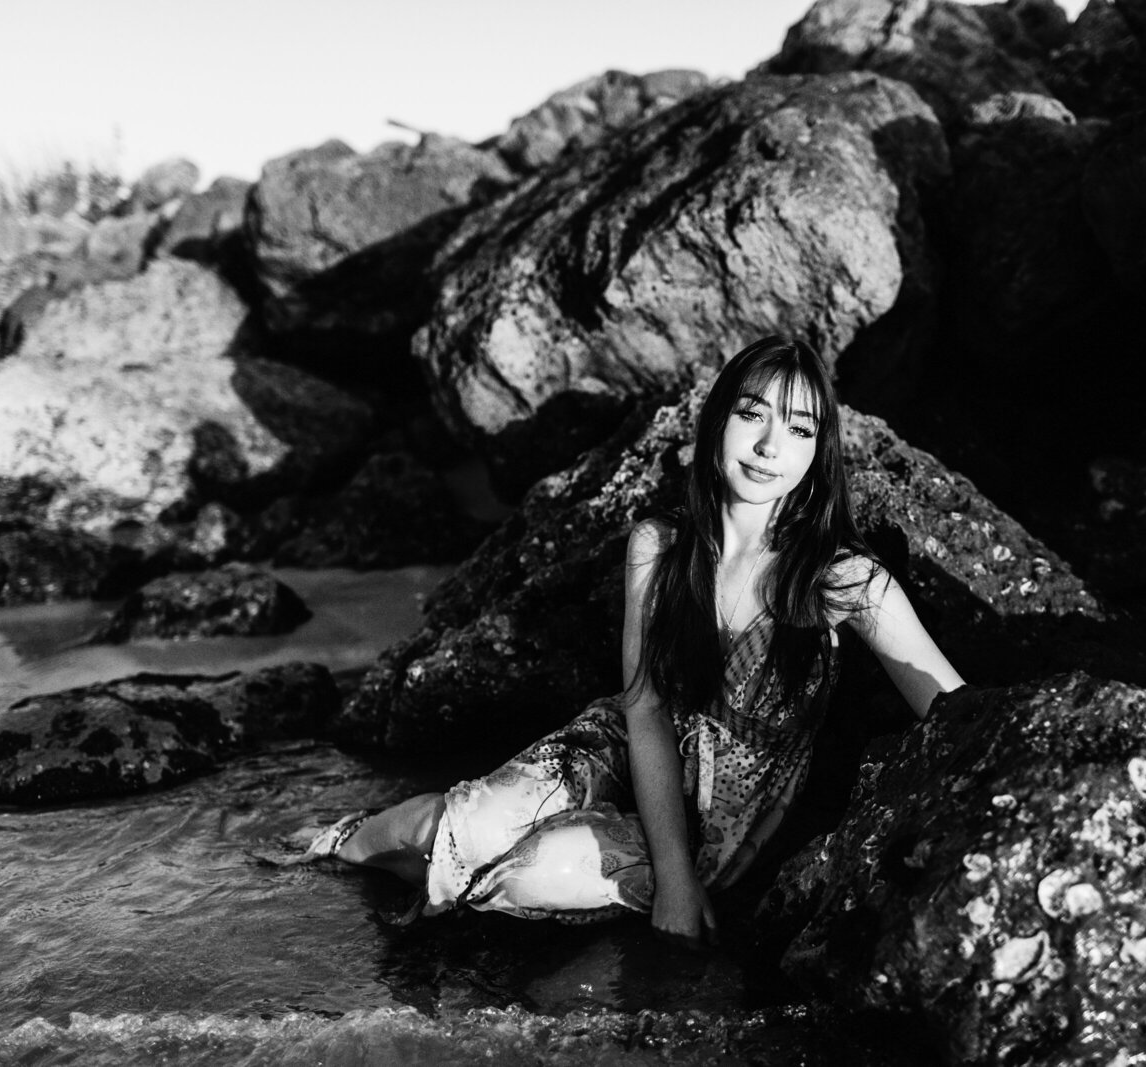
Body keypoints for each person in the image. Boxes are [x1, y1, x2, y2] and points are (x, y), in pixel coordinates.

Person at [304, 335, 965, 946]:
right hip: (623, 746)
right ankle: (339, 841)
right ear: (717, 423)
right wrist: (671, 878)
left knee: (536, 869)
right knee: (455, 829)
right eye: (753, 414)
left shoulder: (843, 579)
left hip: (726, 820)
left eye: (798, 429)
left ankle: (438, 884)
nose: (769, 445)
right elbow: (643, 706)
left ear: (817, 453)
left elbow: (959, 714)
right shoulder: (661, 544)